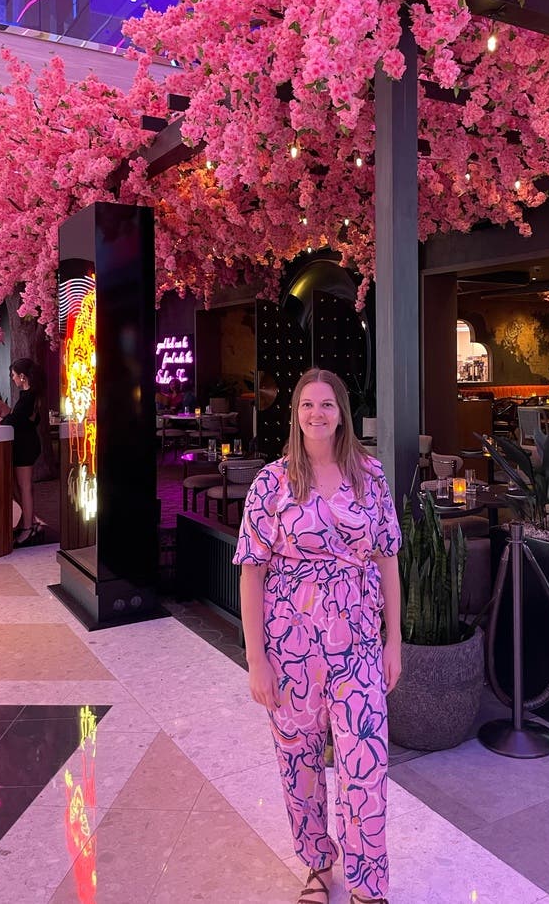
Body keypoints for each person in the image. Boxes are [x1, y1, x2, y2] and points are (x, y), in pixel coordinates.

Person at [233, 368, 401, 904]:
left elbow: (388, 559)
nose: (317, 413)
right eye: (307, 404)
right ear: (296, 414)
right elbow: (251, 572)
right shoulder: (272, 483)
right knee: (298, 763)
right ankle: (320, 866)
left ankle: (368, 884)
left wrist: (394, 641)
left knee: (365, 762)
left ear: (342, 413)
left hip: (358, 641)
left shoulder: (370, 477)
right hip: (290, 644)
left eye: (327, 404)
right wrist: (256, 659)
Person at [0, 358, 43, 547]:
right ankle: (28, 522)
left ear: (22, 376)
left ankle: (28, 528)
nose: (12, 378)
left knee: (24, 487)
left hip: (25, 447)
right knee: (19, 487)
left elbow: (18, 420)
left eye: (13, 375)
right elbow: (22, 419)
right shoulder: (30, 395)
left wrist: (3, 421)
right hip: (24, 445)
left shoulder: (29, 396)